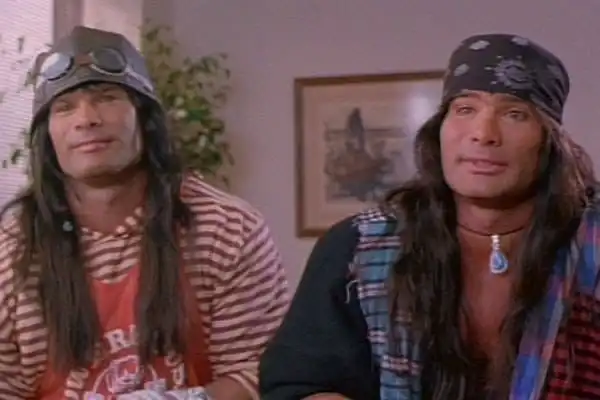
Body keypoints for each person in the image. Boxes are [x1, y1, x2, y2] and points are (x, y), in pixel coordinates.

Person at [259, 33, 600, 399]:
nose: (483, 134)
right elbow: (299, 385)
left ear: (550, 142)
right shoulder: (358, 248)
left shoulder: (591, 243)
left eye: (514, 114)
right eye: (465, 109)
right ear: (440, 129)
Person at [0, 25, 289, 399]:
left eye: (106, 97)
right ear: (47, 138)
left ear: (146, 119)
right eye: (64, 107)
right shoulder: (13, 250)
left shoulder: (228, 229)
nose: (86, 119)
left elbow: (260, 374)